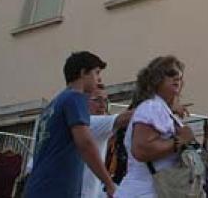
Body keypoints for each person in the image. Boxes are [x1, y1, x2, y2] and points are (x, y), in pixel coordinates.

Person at [25, 52, 117, 198]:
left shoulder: (52, 105)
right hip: (56, 189)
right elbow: (85, 144)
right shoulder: (75, 98)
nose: (99, 79)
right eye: (97, 73)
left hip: (39, 187)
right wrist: (109, 183)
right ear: (83, 72)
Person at [116, 56, 195, 197]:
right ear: (156, 79)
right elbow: (141, 149)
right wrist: (180, 140)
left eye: (180, 75)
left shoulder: (159, 109)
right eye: (170, 73)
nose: (177, 77)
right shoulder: (151, 107)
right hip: (145, 191)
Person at [81, 86, 133, 198]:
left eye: (106, 101)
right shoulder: (88, 123)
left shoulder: (102, 131)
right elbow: (125, 118)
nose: (103, 105)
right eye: (97, 100)